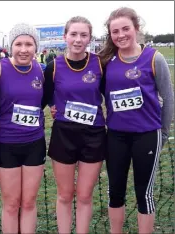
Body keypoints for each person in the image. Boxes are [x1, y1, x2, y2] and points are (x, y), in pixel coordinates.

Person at [98, 7, 174, 234]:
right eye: (115, 31)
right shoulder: (106, 62)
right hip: (116, 137)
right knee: (115, 192)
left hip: (147, 135)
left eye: (125, 29)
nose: (120, 35)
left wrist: (163, 132)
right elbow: (89, 91)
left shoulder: (154, 58)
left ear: (136, 29)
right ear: (110, 35)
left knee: (144, 193)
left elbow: (168, 98)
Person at [43, 16, 105, 234]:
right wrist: (53, 105)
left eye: (83, 35)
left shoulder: (99, 63)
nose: (78, 40)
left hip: (94, 134)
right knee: (65, 194)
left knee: (85, 195)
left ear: (89, 38)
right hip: (64, 134)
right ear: (65, 37)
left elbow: (111, 94)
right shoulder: (53, 66)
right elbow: (44, 95)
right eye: (74, 34)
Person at [0, 23, 48, 233]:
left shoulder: (42, 70)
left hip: (34, 143)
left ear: (36, 47)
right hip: (6, 144)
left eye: (29, 44)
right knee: (12, 204)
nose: (24, 49)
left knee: (29, 202)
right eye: (19, 44)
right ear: (10, 46)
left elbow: (48, 100)